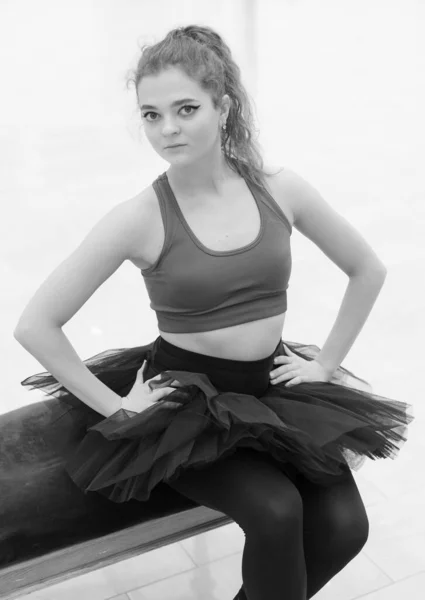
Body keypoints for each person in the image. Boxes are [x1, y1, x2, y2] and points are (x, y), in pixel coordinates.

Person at [14, 25, 414, 600]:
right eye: (151, 115)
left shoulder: (280, 188)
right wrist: (120, 409)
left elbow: (368, 269)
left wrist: (325, 364)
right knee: (277, 514)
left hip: (274, 389)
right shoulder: (140, 215)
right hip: (187, 406)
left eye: (185, 108)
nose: (168, 128)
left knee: (346, 528)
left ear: (223, 107)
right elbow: (36, 324)